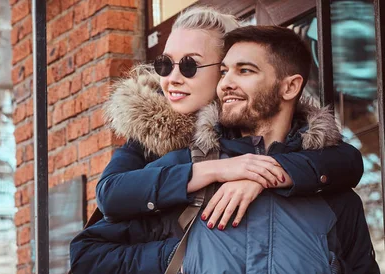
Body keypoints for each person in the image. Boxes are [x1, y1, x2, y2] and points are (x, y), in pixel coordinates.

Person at [70, 25, 385, 274]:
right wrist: (180, 261)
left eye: (244, 71)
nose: (225, 84)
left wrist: (331, 271)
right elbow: (88, 259)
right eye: (223, 73)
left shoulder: (334, 200)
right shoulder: (180, 172)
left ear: (289, 87)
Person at [98, 7, 362, 229]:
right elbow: (109, 194)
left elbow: (346, 161)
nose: (172, 79)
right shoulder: (151, 132)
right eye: (164, 65)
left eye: (190, 65)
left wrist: (261, 175)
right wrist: (214, 170)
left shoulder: (251, 124)